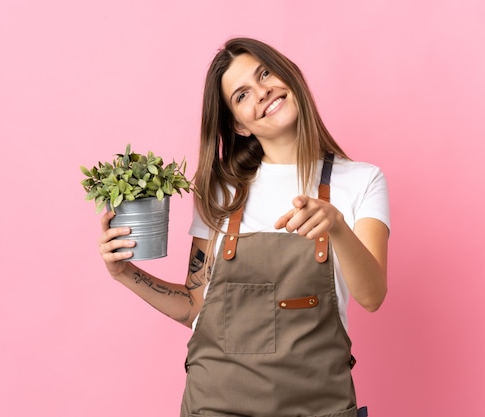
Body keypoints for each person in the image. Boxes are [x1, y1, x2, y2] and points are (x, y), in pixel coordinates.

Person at [98, 37, 390, 417]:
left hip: (320, 406)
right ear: (238, 124)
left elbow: (372, 296)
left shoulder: (362, 181)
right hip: (216, 405)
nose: (262, 91)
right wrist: (124, 273)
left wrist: (336, 225)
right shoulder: (221, 190)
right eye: (242, 95)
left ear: (288, 75)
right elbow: (194, 307)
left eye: (265, 73)